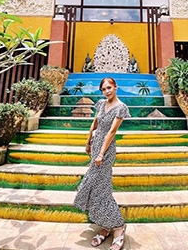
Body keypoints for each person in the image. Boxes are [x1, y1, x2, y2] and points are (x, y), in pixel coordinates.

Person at [74, 77, 129, 250]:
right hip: (96, 146)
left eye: (109, 88)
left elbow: (112, 132)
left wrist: (101, 154)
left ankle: (118, 227)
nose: (107, 91)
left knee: (102, 187)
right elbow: (95, 122)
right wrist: (88, 141)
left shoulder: (121, 108)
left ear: (115, 87)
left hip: (106, 151)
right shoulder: (100, 104)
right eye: (104, 89)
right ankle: (106, 225)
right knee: (96, 187)